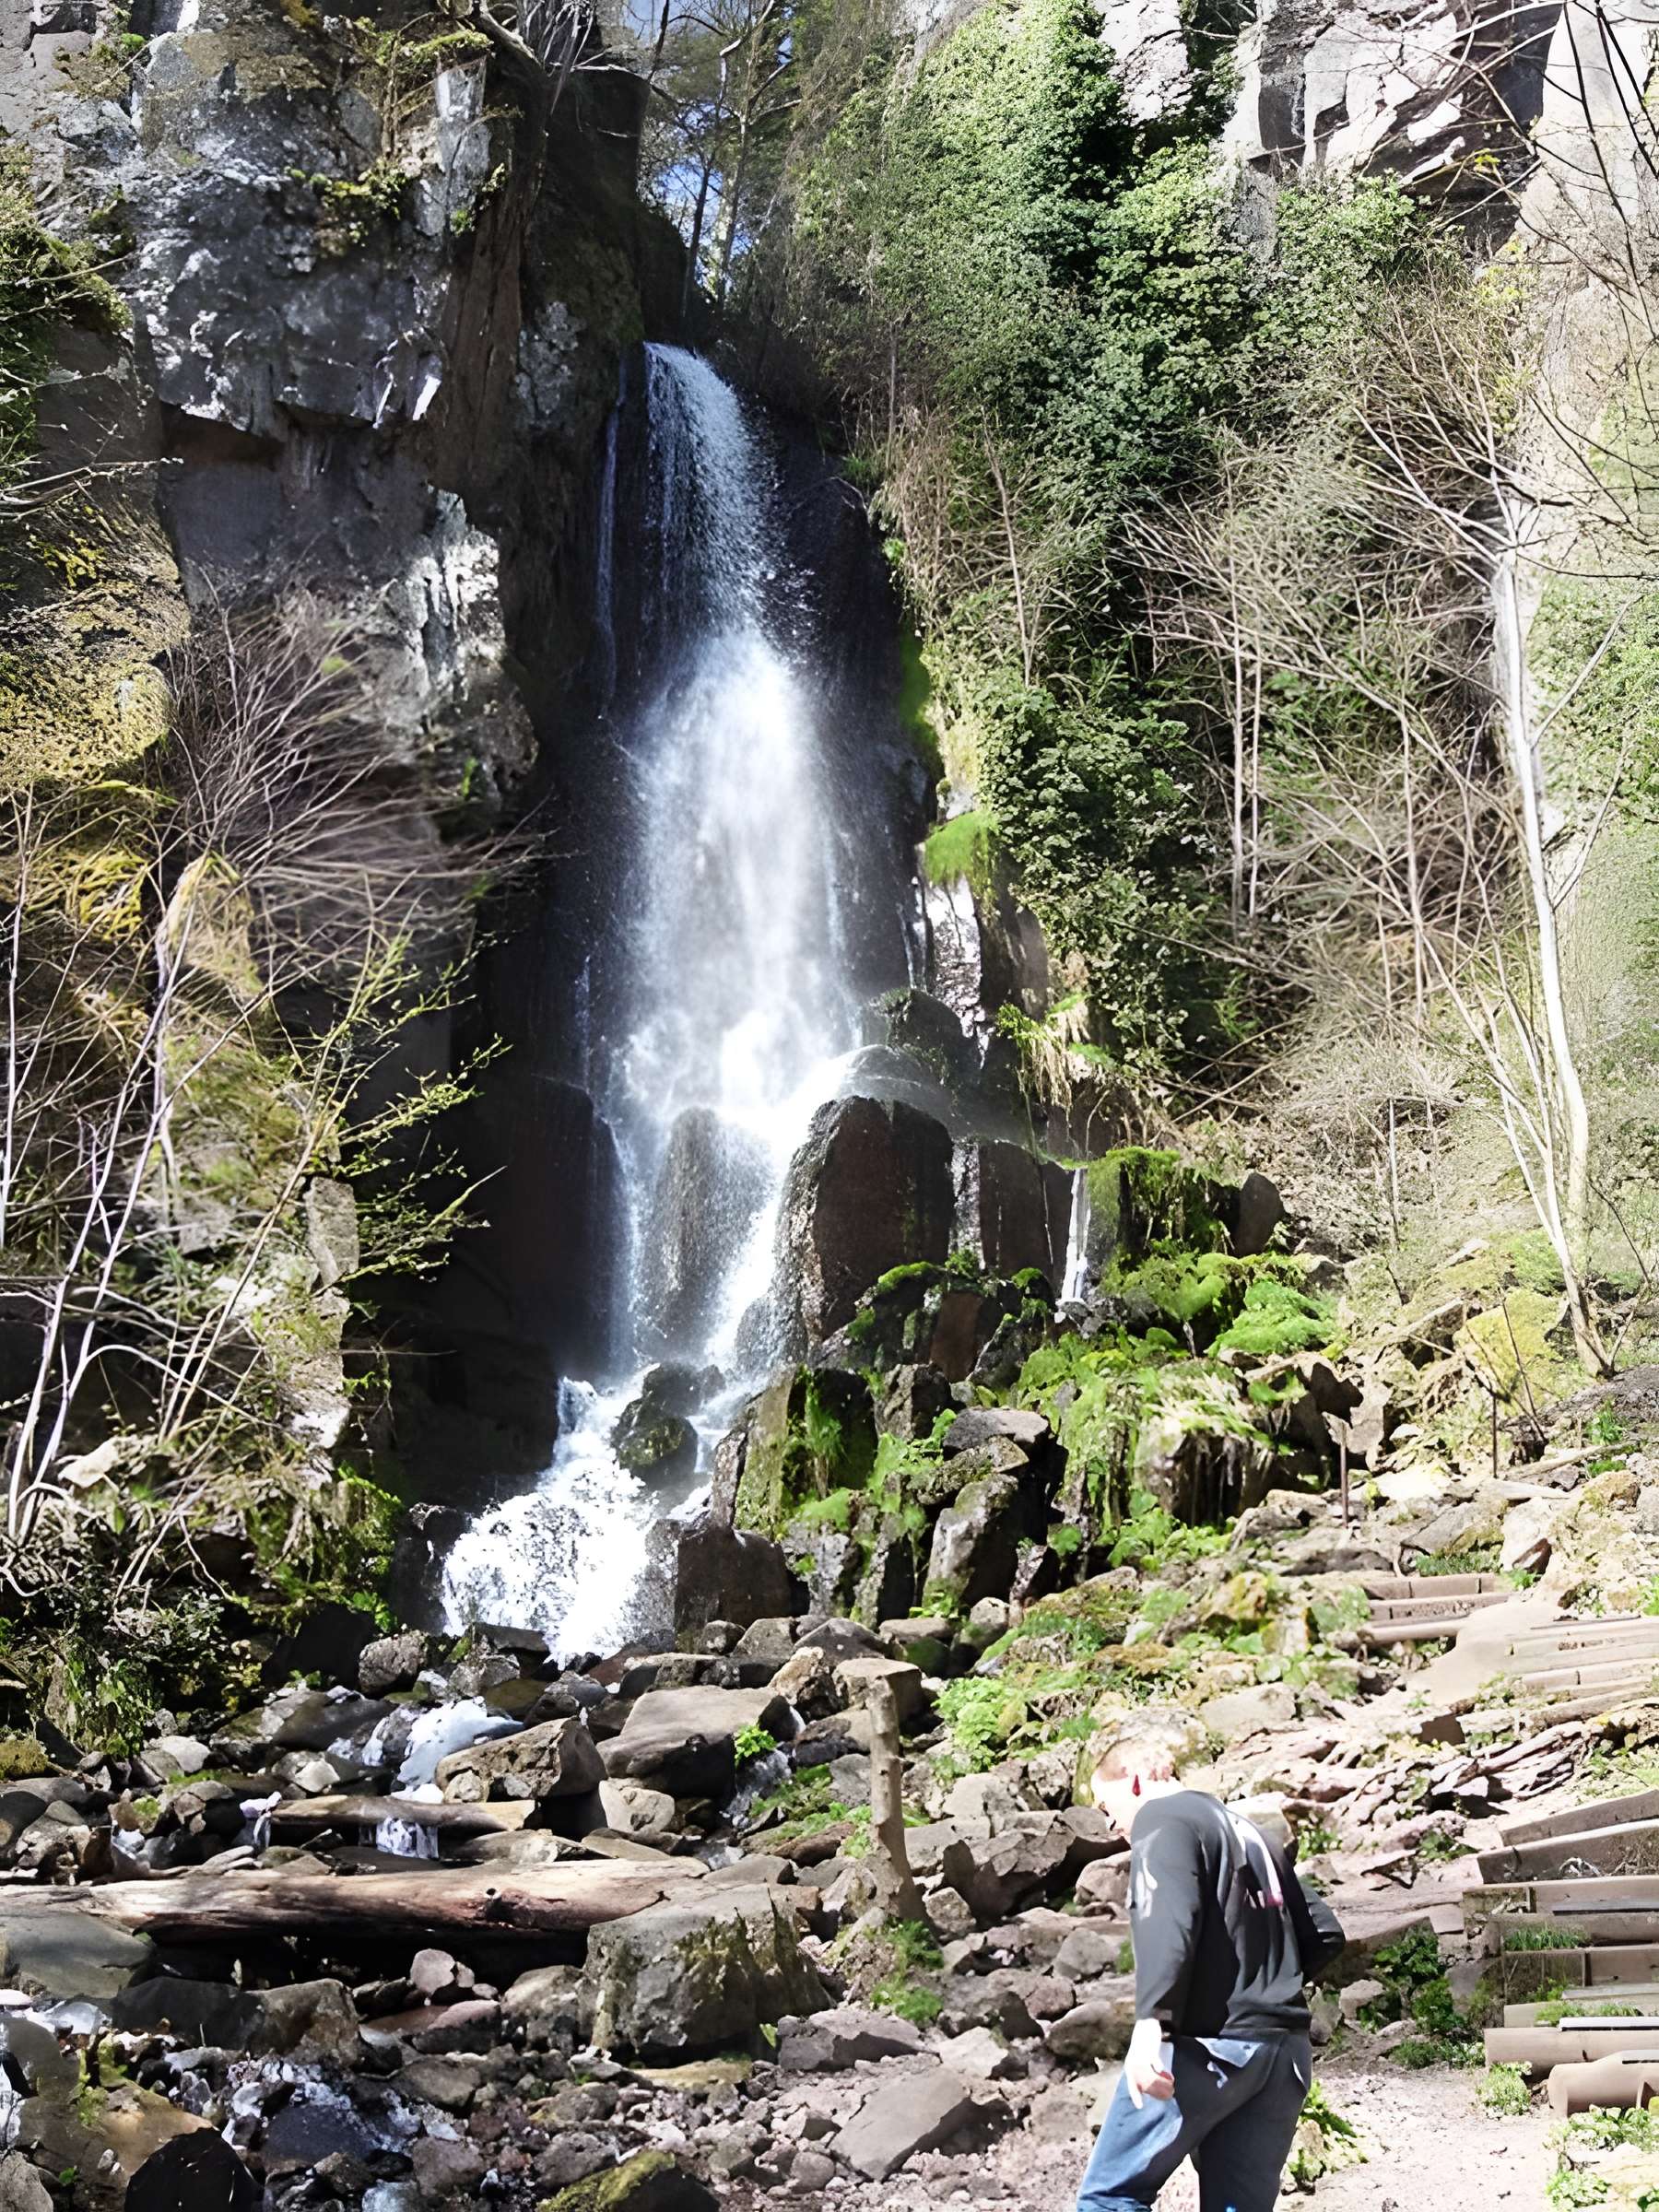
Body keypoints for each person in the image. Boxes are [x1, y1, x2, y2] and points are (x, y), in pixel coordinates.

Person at [1075, 1736, 1347, 2212]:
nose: (1109, 1823)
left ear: (1135, 1780)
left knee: (1109, 2197)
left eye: (1106, 1804)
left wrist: (1148, 2028)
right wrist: (1265, 1988)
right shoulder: (1252, 1832)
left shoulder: (1161, 1820)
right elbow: (1324, 1933)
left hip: (1212, 2052)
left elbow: (1169, 1922)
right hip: (1284, 2058)